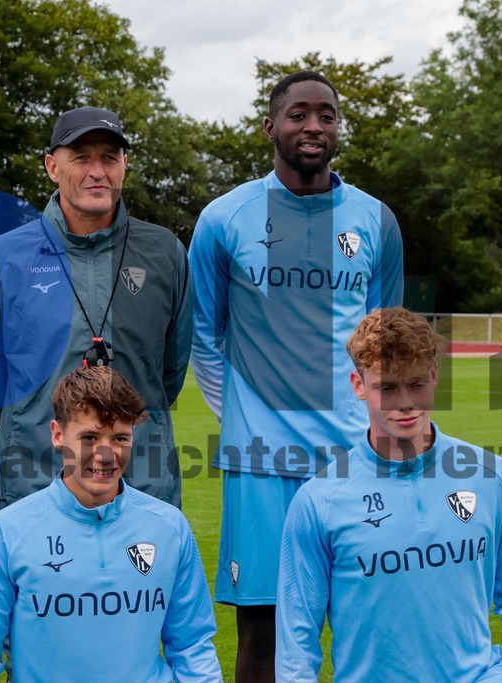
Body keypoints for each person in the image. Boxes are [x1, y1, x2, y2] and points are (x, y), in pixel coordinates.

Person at [188, 70, 404, 681]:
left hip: (354, 459)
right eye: (299, 114)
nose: (314, 126)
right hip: (261, 464)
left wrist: (377, 429)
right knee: (264, 631)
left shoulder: (374, 220)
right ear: (270, 128)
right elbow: (203, 334)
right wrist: (239, 412)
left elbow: (385, 342)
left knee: (370, 617)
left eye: (327, 116)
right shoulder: (224, 218)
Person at [276, 307, 502, 682]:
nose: (405, 403)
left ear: (435, 376)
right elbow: (298, 635)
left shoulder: (492, 476)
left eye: (417, 383)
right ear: (358, 385)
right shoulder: (318, 501)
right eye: (387, 387)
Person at [0, 106, 191, 510]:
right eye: (81, 157)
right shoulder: (6, 256)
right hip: (35, 485)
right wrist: (36, 426)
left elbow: (168, 376)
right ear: (53, 166)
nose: (97, 171)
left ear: (124, 165)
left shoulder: (166, 253)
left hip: (143, 488)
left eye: (109, 157)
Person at [0, 366, 221, 682]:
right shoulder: (8, 532)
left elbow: (194, 648)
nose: (106, 454)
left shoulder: (169, 527)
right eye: (90, 437)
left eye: (120, 437)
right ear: (57, 434)